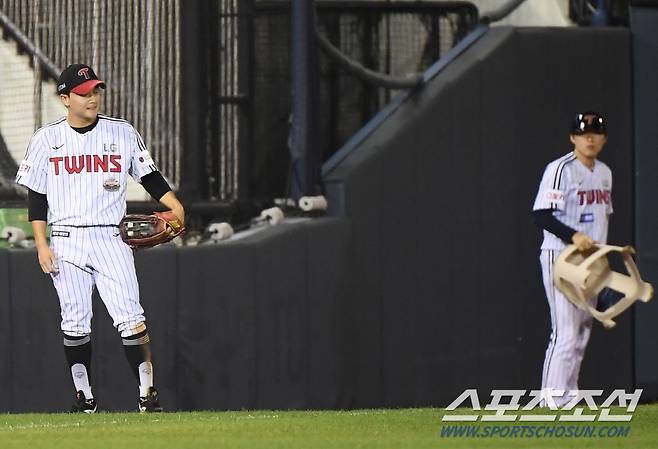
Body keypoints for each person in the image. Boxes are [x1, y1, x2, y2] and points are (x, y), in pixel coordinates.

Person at [15, 63, 185, 413]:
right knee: (74, 322)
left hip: (111, 236)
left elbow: (149, 176)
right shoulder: (46, 139)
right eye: (83, 93)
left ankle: (147, 394)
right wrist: (41, 244)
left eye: (95, 90)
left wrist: (175, 205)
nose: (92, 97)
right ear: (65, 98)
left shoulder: (121, 132)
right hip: (65, 237)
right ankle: (84, 397)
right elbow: (37, 197)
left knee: (130, 316)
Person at [532, 111, 612, 407]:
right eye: (583, 133)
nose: (589, 138)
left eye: (595, 132)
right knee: (565, 331)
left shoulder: (605, 173)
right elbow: (541, 215)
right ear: (573, 138)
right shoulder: (560, 169)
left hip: (592, 263)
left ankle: (566, 396)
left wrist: (603, 267)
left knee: (581, 333)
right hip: (561, 256)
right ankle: (552, 400)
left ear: (603, 138)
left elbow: (601, 222)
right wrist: (573, 235)